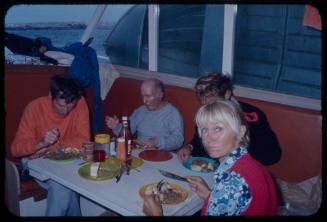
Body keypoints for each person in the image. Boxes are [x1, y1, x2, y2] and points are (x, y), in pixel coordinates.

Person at [143, 100, 278, 216]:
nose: (208, 138)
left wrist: (156, 215)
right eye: (204, 130)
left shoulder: (230, 184)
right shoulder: (253, 164)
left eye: (218, 129)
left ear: (241, 131)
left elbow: (230, 191)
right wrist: (211, 196)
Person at [10, 74, 90, 216]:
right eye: (60, 105)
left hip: (66, 162)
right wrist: (40, 143)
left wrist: (51, 147)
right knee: (63, 186)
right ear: (50, 96)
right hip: (35, 161)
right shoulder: (34, 107)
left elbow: (84, 141)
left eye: (70, 105)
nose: (65, 111)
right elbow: (15, 149)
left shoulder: (80, 102)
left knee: (67, 185)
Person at [177, 72, 281, 166]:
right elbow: (199, 140)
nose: (208, 108)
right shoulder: (206, 112)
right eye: (204, 103)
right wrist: (190, 147)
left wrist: (234, 154)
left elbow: (272, 155)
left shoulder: (252, 116)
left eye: (213, 102)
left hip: (241, 170)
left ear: (227, 94)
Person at [105, 78, 184, 151]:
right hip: (140, 154)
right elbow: (127, 133)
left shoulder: (172, 113)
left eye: (148, 96)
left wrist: (157, 142)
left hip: (162, 157)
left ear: (160, 95)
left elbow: (178, 140)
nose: (144, 101)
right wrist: (116, 126)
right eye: (142, 96)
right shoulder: (140, 111)